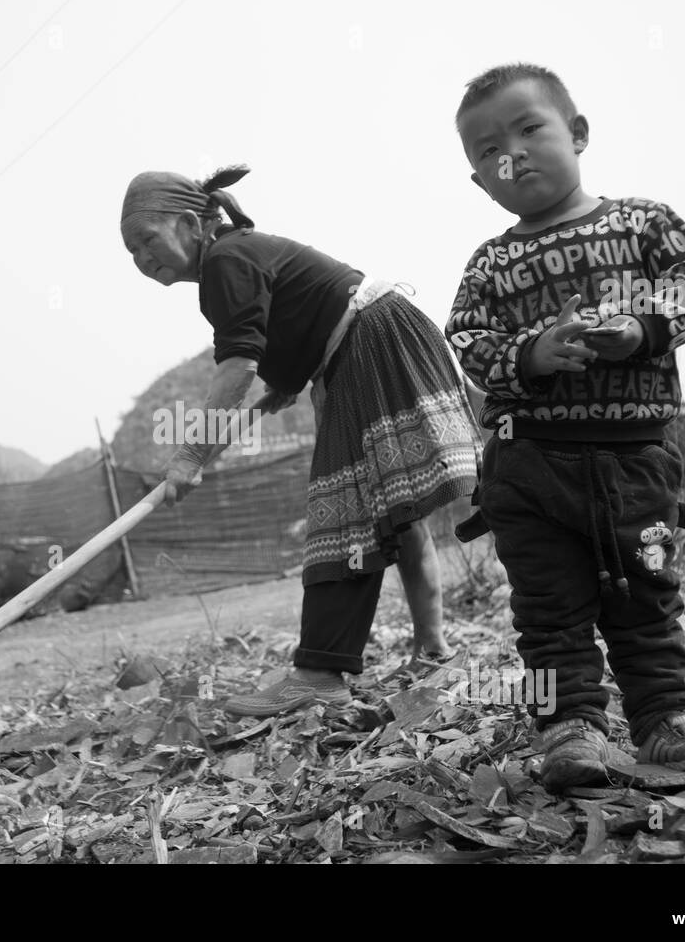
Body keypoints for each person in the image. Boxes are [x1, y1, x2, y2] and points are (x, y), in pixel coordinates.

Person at [445, 63, 685, 791]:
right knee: (549, 613)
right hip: (527, 471)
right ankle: (571, 727)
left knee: (644, 599)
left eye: (528, 129)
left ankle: (666, 716)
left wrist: (642, 328)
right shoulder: (490, 264)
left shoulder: (642, 224)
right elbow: (469, 341)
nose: (509, 154)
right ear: (479, 182)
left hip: (632, 464)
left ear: (577, 133)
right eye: (486, 151)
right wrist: (533, 353)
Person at [120, 166, 482, 716]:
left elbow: (237, 366)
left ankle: (318, 672)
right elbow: (290, 324)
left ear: (192, 224)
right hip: (371, 337)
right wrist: (283, 387)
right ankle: (432, 647)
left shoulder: (224, 259)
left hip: (370, 342)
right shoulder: (233, 256)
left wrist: (191, 454)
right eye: (131, 252)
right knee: (391, 510)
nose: (141, 259)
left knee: (346, 512)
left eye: (147, 239)